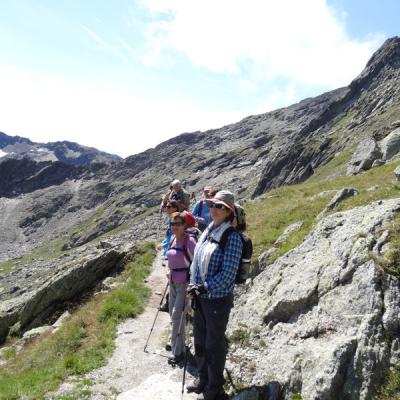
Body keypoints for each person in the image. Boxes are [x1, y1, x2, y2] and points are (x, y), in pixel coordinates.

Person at [187, 190, 243, 400]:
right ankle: (202, 379)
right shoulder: (209, 230)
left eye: (220, 206)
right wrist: (193, 286)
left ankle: (214, 388)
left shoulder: (232, 237)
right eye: (212, 205)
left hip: (217, 301)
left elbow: (228, 275)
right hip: (201, 298)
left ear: (229, 211)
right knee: (200, 340)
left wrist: (204, 287)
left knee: (214, 344)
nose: (214, 209)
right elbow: (196, 261)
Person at [166, 212, 197, 365]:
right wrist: (168, 270)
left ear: (185, 225)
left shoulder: (189, 241)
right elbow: (169, 257)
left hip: (184, 284)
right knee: (173, 315)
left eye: (178, 224)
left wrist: (191, 286)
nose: (175, 227)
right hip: (172, 282)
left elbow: (197, 263)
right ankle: (177, 343)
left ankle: (177, 352)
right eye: (172, 224)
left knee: (177, 315)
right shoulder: (172, 238)